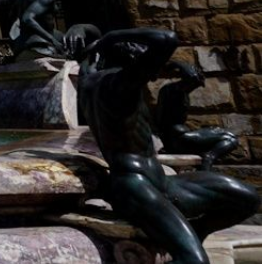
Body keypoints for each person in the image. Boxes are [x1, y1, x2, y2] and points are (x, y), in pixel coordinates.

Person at [79, 28, 260, 264]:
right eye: (144, 55)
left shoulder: (88, 79)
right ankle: (185, 247)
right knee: (195, 261)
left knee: (248, 198)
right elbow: (167, 39)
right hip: (135, 186)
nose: (153, 66)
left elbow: (89, 48)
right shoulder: (119, 86)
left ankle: (190, 232)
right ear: (131, 56)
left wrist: (87, 34)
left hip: (155, 179)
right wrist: (110, 36)